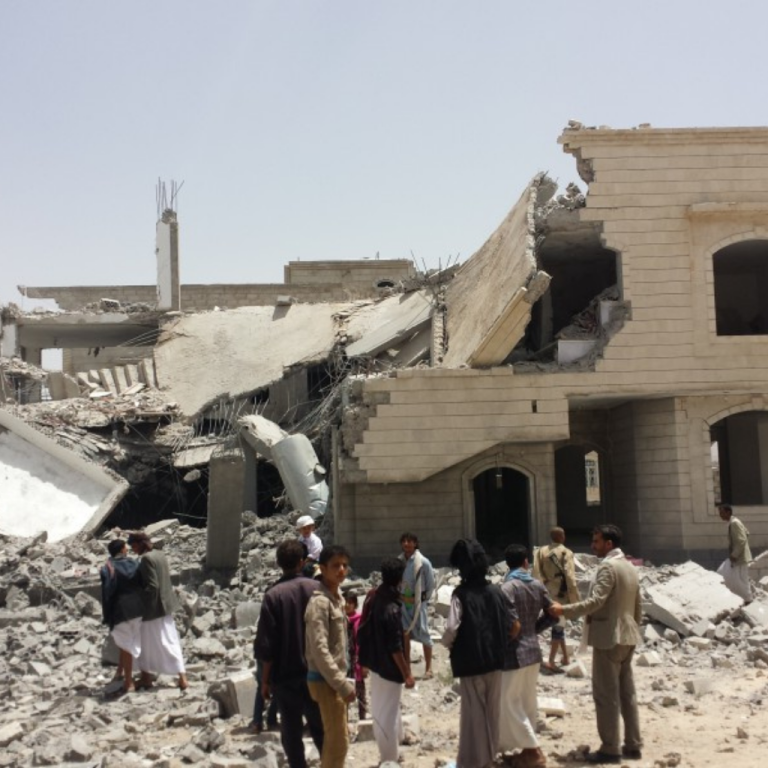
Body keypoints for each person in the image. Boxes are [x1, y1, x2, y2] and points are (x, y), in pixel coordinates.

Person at [550, 525, 642, 765]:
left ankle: (610, 748)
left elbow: (596, 601)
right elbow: (637, 605)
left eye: (597, 542)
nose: (593, 546)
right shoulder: (630, 567)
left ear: (609, 544)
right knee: (627, 693)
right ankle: (633, 744)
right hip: (628, 635)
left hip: (609, 637)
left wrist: (564, 610)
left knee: (606, 694)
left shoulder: (608, 568)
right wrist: (634, 629)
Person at [442, 539, 511, 768]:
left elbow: (451, 628)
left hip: (470, 662)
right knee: (493, 713)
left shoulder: (460, 595)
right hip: (496, 660)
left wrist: (448, 644)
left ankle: (479, 762)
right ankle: (489, 758)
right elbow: (508, 623)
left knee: (475, 715)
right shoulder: (496, 591)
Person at [254, 539, 323, 768]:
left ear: (278, 564)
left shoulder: (273, 595)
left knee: (291, 732)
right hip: (316, 673)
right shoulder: (317, 589)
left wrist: (265, 681)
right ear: (302, 562)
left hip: (285, 677)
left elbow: (267, 645)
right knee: (321, 729)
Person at [500, 544, 557, 768]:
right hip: (533, 651)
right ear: (526, 562)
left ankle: (533, 750)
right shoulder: (537, 585)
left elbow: (511, 625)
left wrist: (507, 640)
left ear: (508, 564)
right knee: (527, 702)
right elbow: (553, 614)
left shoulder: (507, 588)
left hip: (514, 653)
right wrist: (533, 629)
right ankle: (526, 752)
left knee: (508, 703)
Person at [357, 557, 415, 764]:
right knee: (387, 714)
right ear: (399, 578)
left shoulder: (374, 596)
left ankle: (395, 749)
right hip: (389, 668)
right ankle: (389, 759)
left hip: (375, 662)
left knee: (384, 707)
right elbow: (395, 647)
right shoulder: (392, 608)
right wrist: (407, 673)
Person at [305, 545, 356, 768]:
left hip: (333, 679)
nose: (341, 570)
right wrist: (341, 684)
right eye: (336, 565)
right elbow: (320, 649)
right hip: (326, 681)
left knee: (338, 739)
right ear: (323, 569)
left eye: (344, 565)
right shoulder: (320, 603)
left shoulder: (336, 598)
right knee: (338, 742)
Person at [127, 532, 188, 691]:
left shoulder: (146, 559)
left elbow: (152, 586)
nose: (133, 550)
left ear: (140, 544)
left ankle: (147, 677)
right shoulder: (159, 554)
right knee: (169, 640)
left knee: (145, 643)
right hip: (165, 606)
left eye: (134, 546)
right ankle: (179, 677)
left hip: (152, 610)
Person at [99, 539, 144, 693]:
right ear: (122, 550)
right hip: (138, 608)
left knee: (125, 647)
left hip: (120, 611)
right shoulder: (135, 564)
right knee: (135, 643)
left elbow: (107, 593)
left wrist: (107, 616)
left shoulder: (107, 568)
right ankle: (138, 675)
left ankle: (128, 682)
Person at [532, 526, 580, 672]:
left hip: (546, 592)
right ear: (562, 537)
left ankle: (565, 657)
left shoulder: (541, 551)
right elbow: (570, 576)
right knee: (559, 626)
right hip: (561, 595)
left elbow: (536, 572)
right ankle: (552, 661)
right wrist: (575, 597)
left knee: (559, 624)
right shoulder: (566, 552)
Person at [399, 532, 435, 678]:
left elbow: (431, 584)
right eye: (404, 541)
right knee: (405, 634)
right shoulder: (400, 561)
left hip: (419, 604)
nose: (406, 544)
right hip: (404, 604)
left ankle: (429, 668)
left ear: (415, 543)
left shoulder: (423, 562)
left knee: (424, 633)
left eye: (409, 541)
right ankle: (407, 669)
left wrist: (421, 599)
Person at [717, 503, 753, 602]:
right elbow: (746, 533)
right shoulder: (734, 522)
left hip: (739, 558)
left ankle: (748, 600)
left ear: (728, 512)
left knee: (741, 580)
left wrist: (735, 554)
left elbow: (741, 540)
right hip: (738, 557)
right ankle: (744, 599)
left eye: (722, 512)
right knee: (731, 576)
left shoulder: (734, 523)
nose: (720, 515)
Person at [344, 591, 367, 720]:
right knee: (344, 688)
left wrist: (363, 663)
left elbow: (362, 642)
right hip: (344, 659)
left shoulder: (359, 620)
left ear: (355, 604)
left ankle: (362, 717)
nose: (347, 605)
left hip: (356, 659)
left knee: (359, 689)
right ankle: (344, 718)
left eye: (350, 602)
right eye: (346, 602)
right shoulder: (340, 619)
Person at [250, 658, 279, 734]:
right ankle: (269, 721)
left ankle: (258, 722)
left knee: (262, 688)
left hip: (263, 656)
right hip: (270, 657)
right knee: (278, 689)